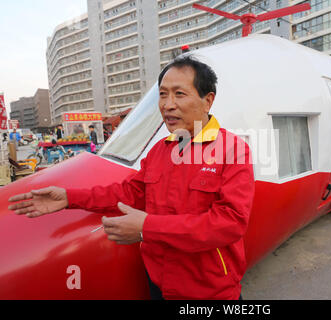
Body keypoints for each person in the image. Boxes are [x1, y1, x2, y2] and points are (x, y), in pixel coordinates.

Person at [8, 56, 255, 300]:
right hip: (159, 282)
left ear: (207, 100)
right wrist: (68, 197)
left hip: (208, 289)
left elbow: (229, 223)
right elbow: (128, 193)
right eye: (162, 94)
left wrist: (147, 228)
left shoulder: (231, 150)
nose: (167, 105)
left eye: (179, 94)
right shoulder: (160, 151)